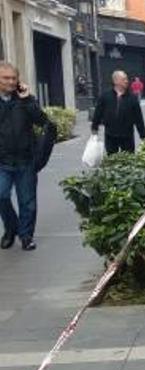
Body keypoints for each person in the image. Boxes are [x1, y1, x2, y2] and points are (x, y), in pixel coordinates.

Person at [0, 62, 55, 251]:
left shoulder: (26, 99)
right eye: (6, 78)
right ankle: (11, 228)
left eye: (13, 78)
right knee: (1, 195)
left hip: (25, 159)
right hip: (2, 161)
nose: (10, 82)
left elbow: (42, 121)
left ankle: (26, 236)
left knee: (28, 203)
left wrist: (26, 100)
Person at [91, 70, 145, 154]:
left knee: (128, 159)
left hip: (127, 135)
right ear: (115, 81)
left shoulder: (132, 98)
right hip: (110, 134)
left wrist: (143, 136)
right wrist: (94, 128)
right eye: (123, 79)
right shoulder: (105, 96)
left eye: (126, 79)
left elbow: (138, 118)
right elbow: (98, 113)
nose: (126, 81)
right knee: (112, 160)